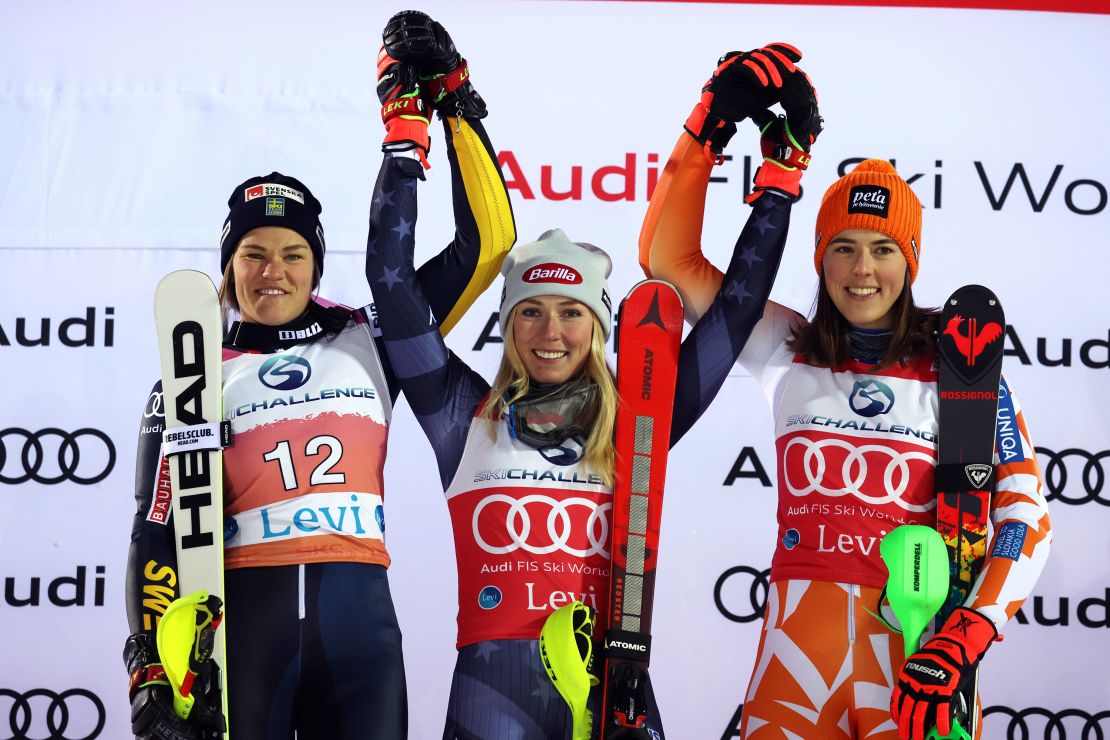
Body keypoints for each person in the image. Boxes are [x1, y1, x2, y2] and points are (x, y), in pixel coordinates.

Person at [367, 42, 822, 740]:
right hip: (492, 697)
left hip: (619, 691)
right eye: (531, 312)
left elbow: (734, 312)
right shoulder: (463, 414)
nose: (551, 332)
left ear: (599, 327)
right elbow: (394, 290)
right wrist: (407, 134)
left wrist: (779, 174)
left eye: (572, 312)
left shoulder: (640, 419)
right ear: (509, 322)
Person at [122, 11, 515, 739]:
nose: (272, 272)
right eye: (253, 254)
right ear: (228, 265)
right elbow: (155, 534)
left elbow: (486, 244)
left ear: (316, 265)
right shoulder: (191, 374)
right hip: (245, 636)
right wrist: (151, 664)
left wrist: (453, 107)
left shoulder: (371, 336)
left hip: (359, 631)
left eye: (293, 254)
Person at [639, 52, 1053, 740]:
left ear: (910, 260)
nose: (863, 269)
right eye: (844, 247)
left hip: (919, 662)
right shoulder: (787, 346)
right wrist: (707, 125)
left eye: (885, 249)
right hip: (795, 662)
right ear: (821, 256)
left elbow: (1024, 514)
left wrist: (969, 634)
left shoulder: (961, 368)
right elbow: (667, 260)